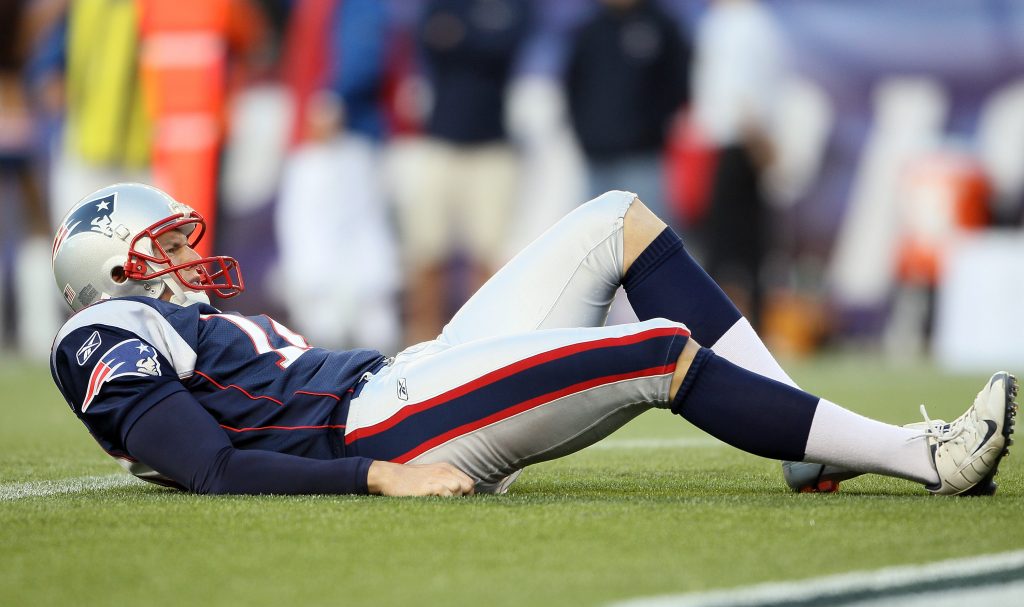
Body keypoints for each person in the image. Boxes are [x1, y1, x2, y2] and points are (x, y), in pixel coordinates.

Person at [49, 183, 1016, 497]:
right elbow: (211, 464)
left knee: (617, 217)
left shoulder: (187, 319)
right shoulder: (102, 330)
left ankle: (808, 454)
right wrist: (381, 477)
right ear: (114, 272)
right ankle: (922, 458)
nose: (189, 256)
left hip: (405, 375)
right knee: (658, 350)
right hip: (385, 428)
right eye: (166, 247)